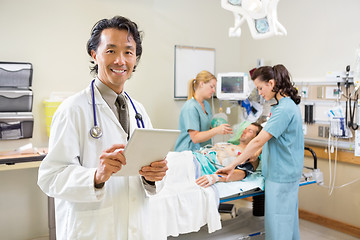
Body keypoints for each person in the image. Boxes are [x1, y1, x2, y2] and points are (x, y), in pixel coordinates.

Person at [37, 16, 168, 240]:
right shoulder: (72, 110)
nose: (120, 60)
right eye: (111, 51)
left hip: (136, 227)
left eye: (128, 52)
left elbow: (150, 177)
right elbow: (50, 178)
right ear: (94, 54)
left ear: (135, 59)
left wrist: (153, 176)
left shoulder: (140, 111)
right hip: (93, 230)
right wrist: (95, 177)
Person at [217, 65, 304, 240]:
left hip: (281, 176)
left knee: (279, 226)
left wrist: (233, 164)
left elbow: (257, 140)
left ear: (271, 83)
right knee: (288, 223)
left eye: (260, 88)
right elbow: (275, 139)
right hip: (286, 173)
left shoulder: (283, 110)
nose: (260, 93)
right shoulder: (287, 105)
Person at [174, 70, 233, 152]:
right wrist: (216, 130)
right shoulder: (190, 107)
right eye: (211, 87)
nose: (213, 91)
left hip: (203, 151)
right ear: (202, 84)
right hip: (188, 153)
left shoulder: (206, 105)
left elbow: (206, 127)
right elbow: (195, 138)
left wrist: (218, 125)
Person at [195, 122, 263, 188]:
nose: (244, 131)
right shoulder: (229, 144)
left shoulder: (251, 156)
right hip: (194, 156)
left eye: (250, 131)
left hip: (200, 165)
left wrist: (216, 177)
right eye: (245, 129)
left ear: (256, 138)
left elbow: (242, 173)